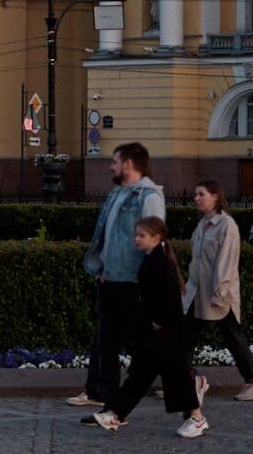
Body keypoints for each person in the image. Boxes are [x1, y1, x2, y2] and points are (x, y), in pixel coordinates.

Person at [67, 142, 167, 416]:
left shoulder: (148, 197)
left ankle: (186, 383)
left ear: (129, 164)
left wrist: (146, 285)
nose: (111, 166)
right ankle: (108, 407)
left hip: (132, 284)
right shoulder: (118, 194)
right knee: (106, 345)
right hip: (109, 280)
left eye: (115, 161)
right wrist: (102, 271)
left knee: (142, 348)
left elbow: (154, 244)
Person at [94, 217, 210, 438]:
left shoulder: (160, 262)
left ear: (156, 238)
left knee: (171, 376)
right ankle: (115, 414)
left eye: (142, 235)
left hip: (166, 332)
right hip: (159, 331)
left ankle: (197, 418)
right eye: (136, 234)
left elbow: (167, 297)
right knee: (142, 374)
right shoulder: (155, 259)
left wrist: (158, 321)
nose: (136, 239)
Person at [185, 181, 253, 401]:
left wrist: (220, 294)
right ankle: (183, 383)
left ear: (215, 196)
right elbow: (197, 260)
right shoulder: (202, 224)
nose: (196, 198)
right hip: (197, 293)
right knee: (184, 338)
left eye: (201, 194)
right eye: (195, 194)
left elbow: (226, 263)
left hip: (219, 296)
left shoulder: (226, 225)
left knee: (233, 337)